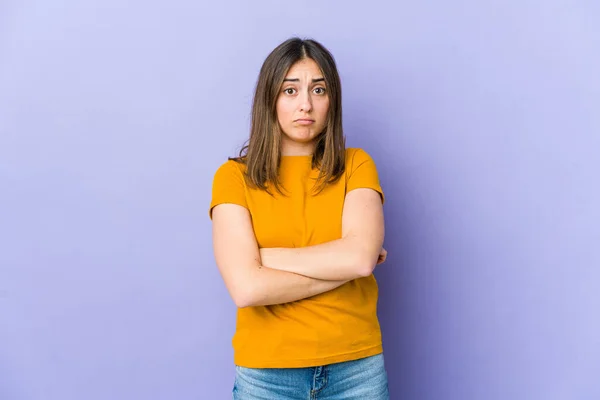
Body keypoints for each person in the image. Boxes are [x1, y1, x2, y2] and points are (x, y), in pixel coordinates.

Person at [209, 37, 389, 399]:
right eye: (290, 90)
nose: (305, 104)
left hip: (356, 371)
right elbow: (247, 289)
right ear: (270, 99)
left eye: (318, 89)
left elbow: (358, 258)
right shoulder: (233, 178)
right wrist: (344, 269)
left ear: (332, 100)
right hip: (266, 377)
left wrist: (266, 258)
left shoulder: (356, 165)